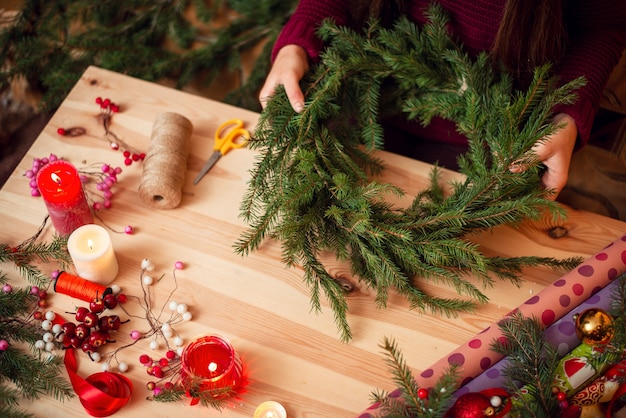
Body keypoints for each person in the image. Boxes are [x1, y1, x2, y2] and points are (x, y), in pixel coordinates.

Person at [259, 0, 626, 200]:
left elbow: (602, 25)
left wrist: (567, 115)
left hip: (498, 143)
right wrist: (297, 43)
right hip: (372, 113)